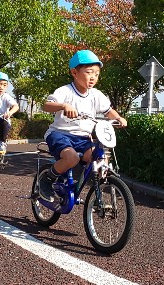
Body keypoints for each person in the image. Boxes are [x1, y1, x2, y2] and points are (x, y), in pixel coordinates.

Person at [39, 49, 127, 202]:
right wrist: (64, 106)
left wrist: (118, 118)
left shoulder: (96, 94)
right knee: (72, 158)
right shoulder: (65, 91)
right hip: (60, 134)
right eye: (89, 72)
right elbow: (46, 105)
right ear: (74, 72)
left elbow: (108, 111)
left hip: (83, 138)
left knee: (100, 158)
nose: (93, 77)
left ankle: (98, 192)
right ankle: (47, 179)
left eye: (97, 74)